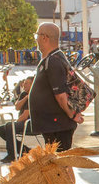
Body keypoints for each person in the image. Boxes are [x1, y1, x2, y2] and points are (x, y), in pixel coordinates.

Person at [29, 22, 84, 152]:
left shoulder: (53, 61)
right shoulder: (53, 58)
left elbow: (60, 95)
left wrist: (72, 115)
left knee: (60, 165)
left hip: (58, 125)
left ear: (44, 37)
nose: (36, 39)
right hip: (53, 125)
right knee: (59, 166)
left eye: (36, 35)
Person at [0, 76, 32, 163]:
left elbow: (26, 114)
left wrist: (14, 123)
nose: (24, 85)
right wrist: (26, 97)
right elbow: (17, 107)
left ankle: (12, 155)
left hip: (30, 123)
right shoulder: (24, 94)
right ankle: (25, 150)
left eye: (27, 83)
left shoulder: (35, 95)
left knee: (9, 126)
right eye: (24, 83)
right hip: (22, 121)